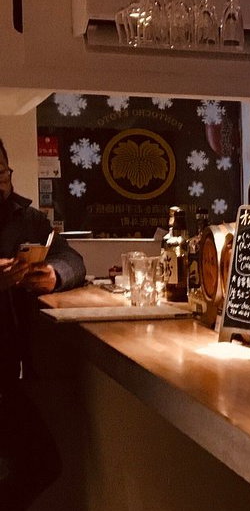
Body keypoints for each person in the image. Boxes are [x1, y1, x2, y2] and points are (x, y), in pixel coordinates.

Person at [0, 138, 85, 509]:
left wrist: (54, 274)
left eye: (1, 173)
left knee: (41, 464)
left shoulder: (27, 219)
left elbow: (72, 259)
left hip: (9, 372)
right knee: (40, 463)